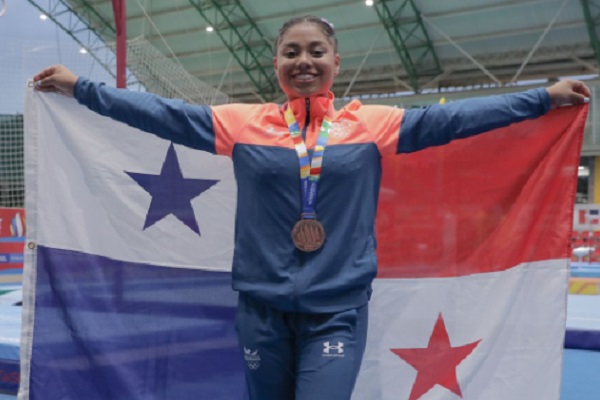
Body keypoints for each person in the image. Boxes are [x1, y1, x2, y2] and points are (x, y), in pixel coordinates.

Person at [33, 15, 589, 400]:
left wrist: (541, 98)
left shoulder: (375, 125)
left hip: (337, 308)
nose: (304, 61)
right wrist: (83, 89)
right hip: (261, 308)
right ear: (276, 61)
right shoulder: (240, 123)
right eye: (292, 52)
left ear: (335, 63)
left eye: (315, 52)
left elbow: (458, 119)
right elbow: (159, 113)